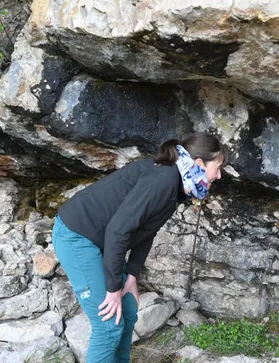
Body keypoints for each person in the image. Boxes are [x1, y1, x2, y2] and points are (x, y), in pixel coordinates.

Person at [52, 132, 228, 363]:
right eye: (218, 167)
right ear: (198, 163)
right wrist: (113, 288)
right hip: (77, 236)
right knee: (108, 325)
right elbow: (118, 230)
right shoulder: (163, 180)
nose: (219, 175)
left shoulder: (175, 184)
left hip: (100, 239)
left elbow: (146, 231)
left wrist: (132, 275)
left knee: (128, 310)